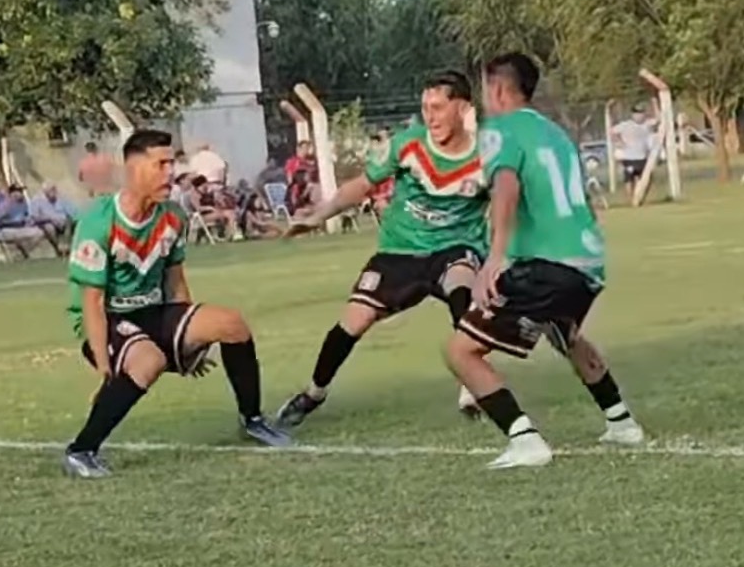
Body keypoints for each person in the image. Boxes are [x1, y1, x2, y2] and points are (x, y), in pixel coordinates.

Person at [446, 52, 644, 470]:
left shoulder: (500, 129)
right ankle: (622, 422)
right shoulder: (554, 132)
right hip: (587, 259)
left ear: (499, 89)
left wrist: (494, 259)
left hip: (548, 262)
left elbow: (506, 186)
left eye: (485, 88)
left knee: (461, 352)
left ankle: (525, 440)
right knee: (563, 333)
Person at [62, 129, 291, 478]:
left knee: (232, 325)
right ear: (134, 168)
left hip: (153, 312)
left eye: (172, 163)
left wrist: (188, 342)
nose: (171, 172)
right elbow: (92, 304)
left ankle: (253, 420)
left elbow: (175, 281)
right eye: (161, 164)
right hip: (108, 319)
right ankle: (81, 450)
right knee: (148, 362)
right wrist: (105, 371)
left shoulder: (173, 217)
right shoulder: (98, 222)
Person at [275, 70, 487, 429]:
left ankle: (471, 385)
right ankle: (313, 393)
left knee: (462, 285)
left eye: (438, 107)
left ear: (463, 108)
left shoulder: (488, 155)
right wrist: (316, 217)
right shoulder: (408, 144)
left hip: (455, 247)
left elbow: (511, 201)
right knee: (353, 322)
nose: (430, 117)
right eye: (425, 108)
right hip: (399, 251)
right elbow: (361, 186)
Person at [611, 104, 652, 199]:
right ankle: (631, 199)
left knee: (646, 178)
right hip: (629, 157)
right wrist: (618, 141)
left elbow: (659, 119)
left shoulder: (647, 124)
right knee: (629, 178)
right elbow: (612, 131)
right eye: (636, 113)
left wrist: (655, 103)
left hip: (642, 157)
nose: (639, 116)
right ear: (633, 115)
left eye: (641, 113)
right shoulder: (626, 125)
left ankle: (639, 198)